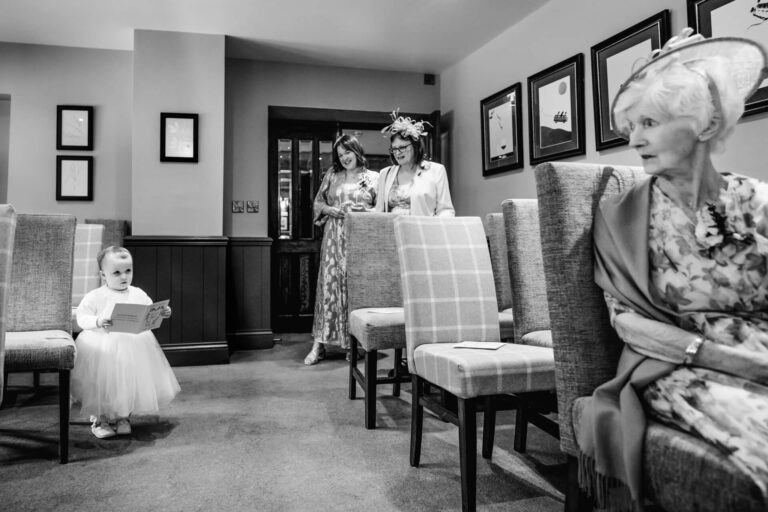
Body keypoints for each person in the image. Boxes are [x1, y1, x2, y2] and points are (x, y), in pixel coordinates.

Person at [578, 29, 768, 510]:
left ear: (704, 125)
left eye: (650, 122)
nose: (633, 139)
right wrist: (739, 363)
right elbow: (626, 321)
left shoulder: (755, 200)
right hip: (680, 366)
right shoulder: (619, 215)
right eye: (632, 125)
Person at [71, 246, 180, 438]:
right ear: (103, 275)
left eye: (128, 271)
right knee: (103, 383)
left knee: (127, 381)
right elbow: (81, 317)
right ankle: (100, 418)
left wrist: (162, 312)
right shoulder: (96, 296)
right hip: (102, 346)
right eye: (117, 272)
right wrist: (97, 321)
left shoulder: (137, 293)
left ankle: (123, 416)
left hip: (133, 346)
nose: (124, 276)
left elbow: (149, 311)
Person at [304, 134, 379, 365]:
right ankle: (319, 344)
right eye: (340, 154)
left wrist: (361, 212)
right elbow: (318, 202)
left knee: (354, 288)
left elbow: (381, 209)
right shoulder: (332, 175)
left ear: (357, 151)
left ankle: (353, 343)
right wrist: (329, 210)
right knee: (329, 287)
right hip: (334, 238)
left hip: (360, 239)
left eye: (348, 152)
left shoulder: (373, 178)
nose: (344, 157)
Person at [375, 111, 454, 217]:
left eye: (402, 147)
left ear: (415, 146)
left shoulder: (436, 170)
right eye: (394, 149)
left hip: (423, 231)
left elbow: (445, 210)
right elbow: (379, 211)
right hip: (391, 231)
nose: (398, 153)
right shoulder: (385, 174)